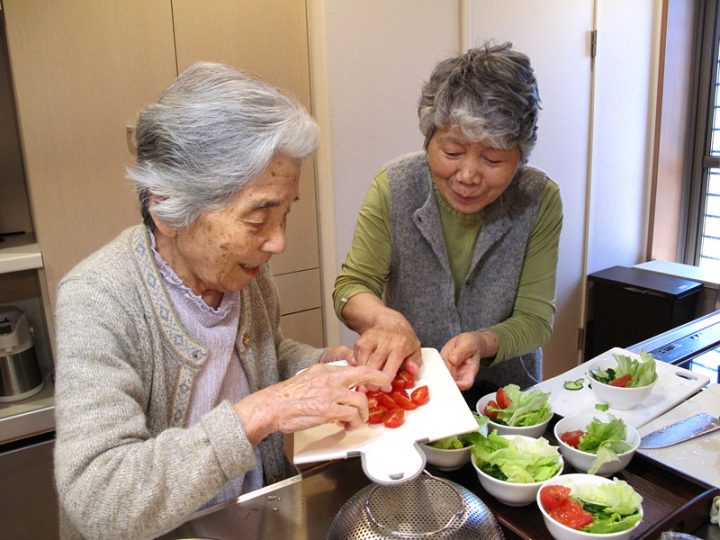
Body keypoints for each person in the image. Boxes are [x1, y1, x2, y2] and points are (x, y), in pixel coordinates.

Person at [53, 62, 390, 540]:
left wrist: (325, 365)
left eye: (285, 213)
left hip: (252, 514)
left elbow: (262, 357)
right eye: (258, 218)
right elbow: (101, 499)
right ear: (168, 207)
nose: (278, 243)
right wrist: (260, 413)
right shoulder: (99, 299)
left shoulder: (243, 275)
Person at [333, 42, 563, 393]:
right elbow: (351, 288)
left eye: (493, 160)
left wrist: (483, 342)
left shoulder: (539, 198)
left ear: (521, 159)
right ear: (429, 139)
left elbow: (535, 319)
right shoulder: (395, 186)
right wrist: (387, 321)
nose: (468, 175)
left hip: (507, 398)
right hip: (414, 389)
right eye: (452, 151)